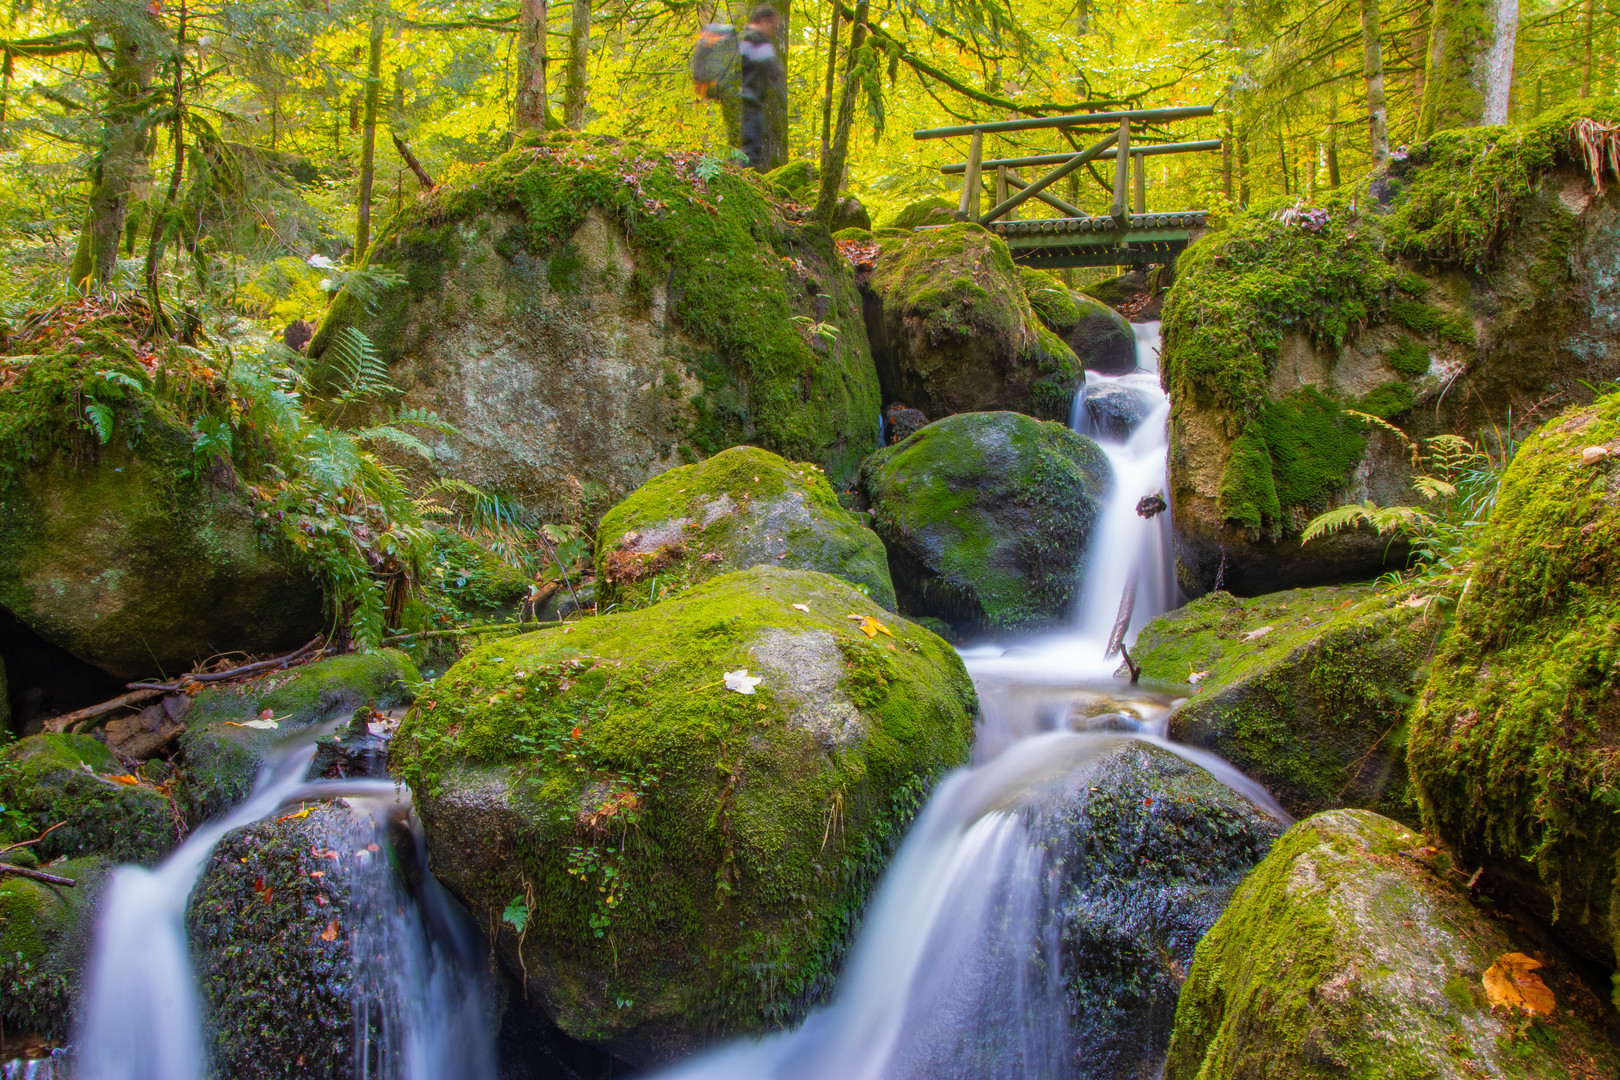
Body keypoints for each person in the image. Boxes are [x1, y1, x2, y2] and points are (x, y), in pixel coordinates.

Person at [737, 6, 785, 171]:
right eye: (773, 26)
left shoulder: (744, 38)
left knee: (747, 143)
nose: (773, 31)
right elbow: (770, 66)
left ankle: (741, 175)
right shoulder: (757, 39)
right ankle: (744, 181)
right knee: (752, 146)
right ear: (764, 21)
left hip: (743, 97)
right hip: (750, 98)